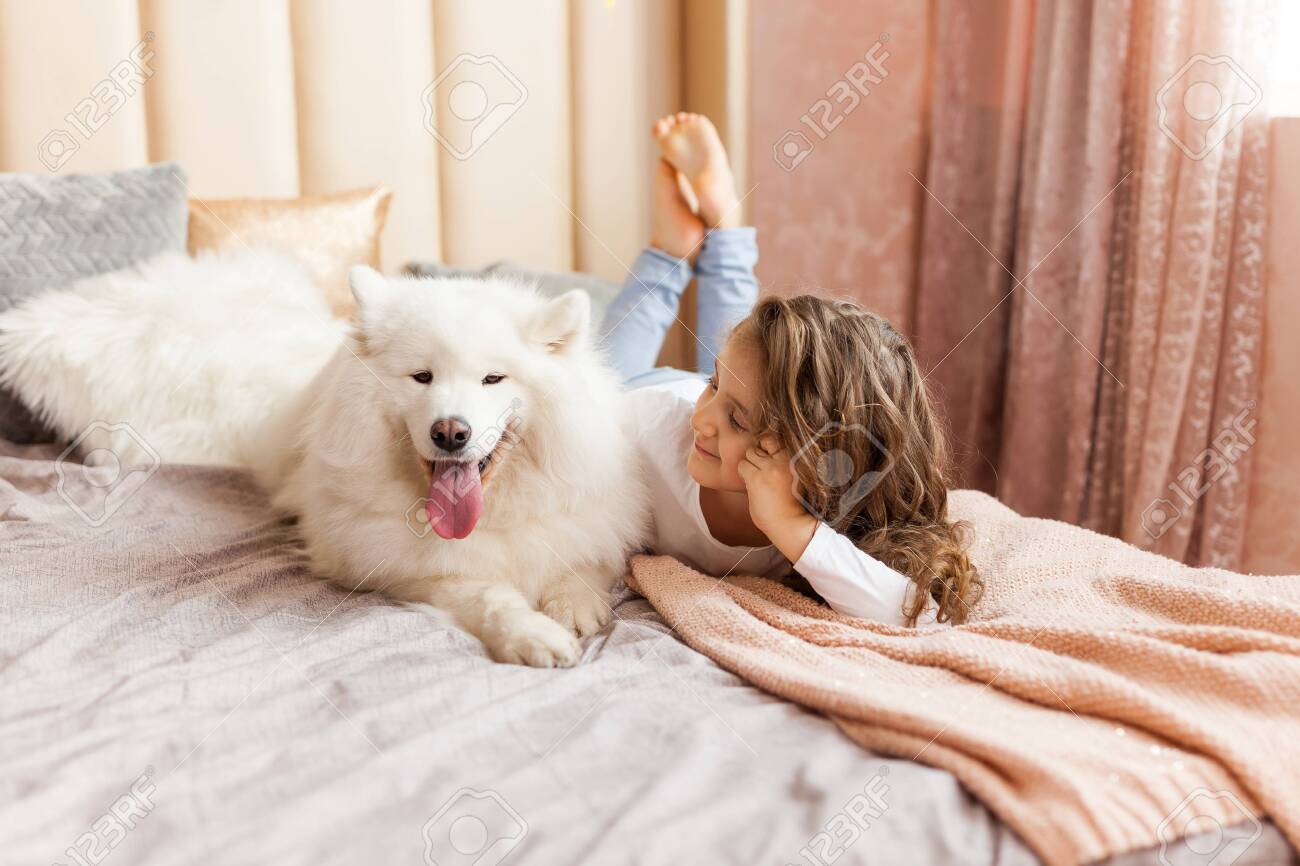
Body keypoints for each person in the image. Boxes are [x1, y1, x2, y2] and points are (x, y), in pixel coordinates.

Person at [601, 113, 981, 626]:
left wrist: (788, 524)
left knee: (746, 369)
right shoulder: (646, 427)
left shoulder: (829, 513)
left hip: (736, 410)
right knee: (594, 371)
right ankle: (679, 245)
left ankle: (709, 237)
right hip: (640, 393)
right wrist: (725, 406)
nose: (703, 419)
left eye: (739, 421)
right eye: (714, 387)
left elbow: (917, 617)